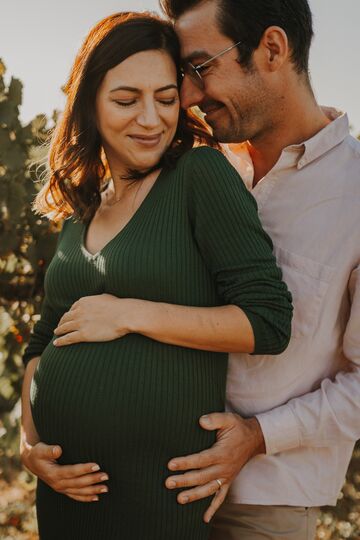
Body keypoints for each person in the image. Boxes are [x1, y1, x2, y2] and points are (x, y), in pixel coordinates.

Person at [20, 11, 293, 540]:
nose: (150, 119)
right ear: (89, 103)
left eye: (166, 99)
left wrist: (129, 315)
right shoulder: (81, 210)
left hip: (157, 495)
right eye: (126, 100)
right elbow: (41, 343)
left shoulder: (199, 176)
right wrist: (32, 447)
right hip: (65, 496)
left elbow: (268, 320)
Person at [153, 0, 360, 539]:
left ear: (272, 48)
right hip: (149, 483)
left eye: (201, 69)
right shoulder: (190, 169)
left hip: (264, 506)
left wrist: (257, 435)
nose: (191, 97)